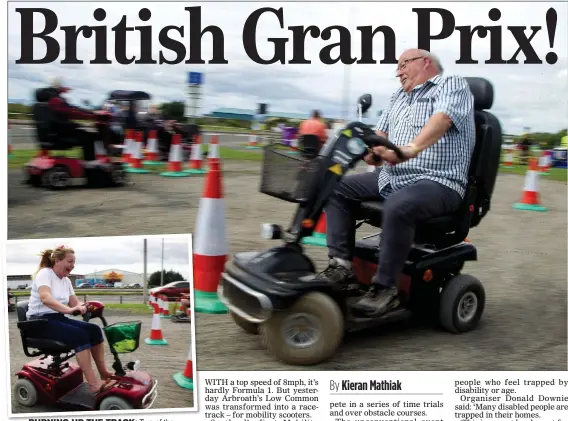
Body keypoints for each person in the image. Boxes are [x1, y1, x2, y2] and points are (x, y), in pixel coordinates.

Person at [315, 48, 476, 317]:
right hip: (393, 177)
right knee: (337, 187)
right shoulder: (398, 96)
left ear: (425, 63)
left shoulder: (451, 84)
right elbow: (379, 135)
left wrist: (410, 149)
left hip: (438, 180)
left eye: (403, 65)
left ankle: (385, 288)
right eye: (397, 67)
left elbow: (443, 118)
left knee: (399, 206)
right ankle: (342, 266)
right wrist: (371, 151)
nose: (398, 72)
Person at [25, 245, 117, 394]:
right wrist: (69, 310)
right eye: (70, 261)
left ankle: (104, 373)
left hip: (57, 318)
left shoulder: (66, 280)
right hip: (37, 321)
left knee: (94, 330)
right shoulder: (45, 274)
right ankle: (93, 384)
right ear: (57, 260)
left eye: (74, 262)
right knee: (79, 335)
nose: (72, 265)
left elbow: (75, 303)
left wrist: (87, 306)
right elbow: (45, 298)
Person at [45, 77, 109, 164]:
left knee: (86, 134)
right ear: (59, 87)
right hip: (62, 134)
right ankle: (91, 164)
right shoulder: (56, 101)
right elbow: (73, 112)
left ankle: (89, 162)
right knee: (91, 137)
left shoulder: (48, 100)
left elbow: (72, 109)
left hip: (56, 132)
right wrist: (93, 116)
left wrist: (89, 112)